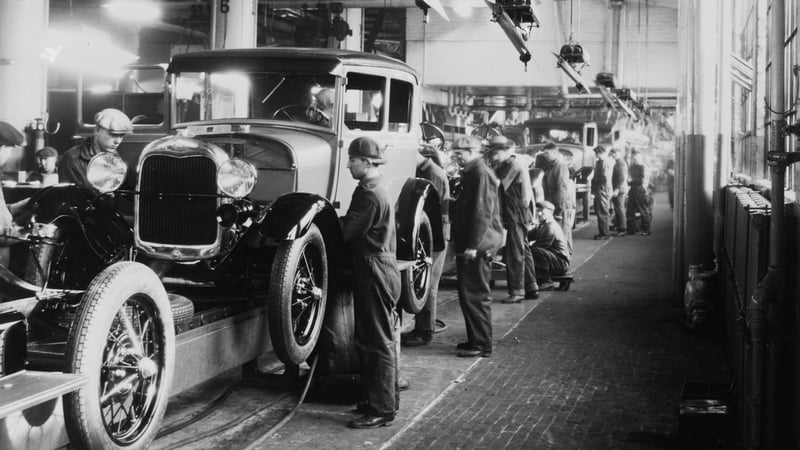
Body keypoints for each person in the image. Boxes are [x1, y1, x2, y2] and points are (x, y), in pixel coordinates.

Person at [340, 136, 402, 429]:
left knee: (377, 342)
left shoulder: (370, 194)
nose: (349, 163)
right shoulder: (372, 188)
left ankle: (381, 409)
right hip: (377, 269)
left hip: (374, 271)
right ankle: (379, 400)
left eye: (352, 159)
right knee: (373, 340)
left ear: (366, 162)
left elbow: (348, 231)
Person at [450, 136, 504, 358]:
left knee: (476, 294)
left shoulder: (480, 173)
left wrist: (473, 245)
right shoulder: (474, 172)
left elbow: (482, 213)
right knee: (468, 293)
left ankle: (482, 344)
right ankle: (475, 339)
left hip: (479, 246)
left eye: (459, 153)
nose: (457, 157)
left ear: (472, 151)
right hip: (474, 244)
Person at [401, 144, 451, 347]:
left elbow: (433, 211)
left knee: (427, 282)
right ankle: (422, 327)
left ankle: (424, 331)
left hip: (435, 235)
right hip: (429, 234)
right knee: (424, 281)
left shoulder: (434, 174)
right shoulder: (426, 171)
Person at [486, 135, 538, 303]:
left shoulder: (512, 165)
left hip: (516, 214)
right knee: (523, 249)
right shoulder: (509, 163)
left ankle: (517, 292)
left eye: (496, 153)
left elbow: (496, 184)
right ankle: (531, 286)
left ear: (504, 151)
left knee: (515, 253)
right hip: (517, 213)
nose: (494, 156)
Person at [59, 108, 133, 189]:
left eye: (122, 135)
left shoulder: (120, 161)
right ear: (97, 130)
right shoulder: (72, 159)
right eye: (113, 134)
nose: (117, 141)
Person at [538, 143, 576, 253]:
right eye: (544, 153)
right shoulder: (551, 166)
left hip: (560, 203)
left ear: (555, 153)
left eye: (547, 153)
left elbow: (562, 188)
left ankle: (564, 256)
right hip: (554, 203)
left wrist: (559, 208)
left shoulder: (560, 166)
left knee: (563, 231)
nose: (545, 155)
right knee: (560, 231)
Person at [528, 201, 570, 289]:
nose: (538, 214)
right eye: (537, 211)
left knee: (534, 251)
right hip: (554, 260)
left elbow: (539, 246)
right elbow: (528, 236)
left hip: (560, 263)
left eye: (541, 211)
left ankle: (546, 281)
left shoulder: (550, 227)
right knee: (532, 250)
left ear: (549, 213)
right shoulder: (543, 225)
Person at [590, 145, 614, 240]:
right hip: (601, 189)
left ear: (601, 153)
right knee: (600, 210)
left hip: (602, 189)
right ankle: (602, 232)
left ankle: (604, 233)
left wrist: (595, 182)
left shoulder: (604, 162)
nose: (596, 155)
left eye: (597, 153)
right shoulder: (601, 162)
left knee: (602, 211)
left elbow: (604, 178)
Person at [627, 150, 652, 235]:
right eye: (633, 157)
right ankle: (632, 229)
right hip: (633, 189)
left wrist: (630, 182)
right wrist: (630, 181)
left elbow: (641, 180)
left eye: (636, 156)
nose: (634, 158)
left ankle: (646, 230)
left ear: (640, 157)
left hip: (640, 190)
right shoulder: (632, 167)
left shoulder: (643, 167)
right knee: (630, 210)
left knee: (643, 210)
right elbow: (630, 176)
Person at [609, 147, 628, 236]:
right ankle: (619, 226)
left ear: (620, 153)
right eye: (612, 153)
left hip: (619, 190)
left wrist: (616, 189)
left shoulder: (620, 163)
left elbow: (621, 178)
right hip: (620, 189)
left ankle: (622, 229)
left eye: (615, 153)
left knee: (619, 209)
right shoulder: (619, 163)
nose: (613, 154)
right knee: (618, 208)